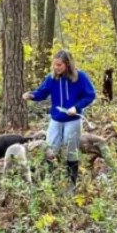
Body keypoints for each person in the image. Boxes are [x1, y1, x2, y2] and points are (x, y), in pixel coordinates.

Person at [22, 49, 96, 189]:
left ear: (67, 64)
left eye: (59, 65)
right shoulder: (51, 78)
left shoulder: (80, 77)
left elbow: (90, 95)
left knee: (71, 150)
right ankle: (48, 183)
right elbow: (42, 93)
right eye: (55, 65)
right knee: (49, 150)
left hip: (73, 120)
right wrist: (31, 95)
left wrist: (77, 106)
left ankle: (71, 184)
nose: (56, 68)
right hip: (56, 119)